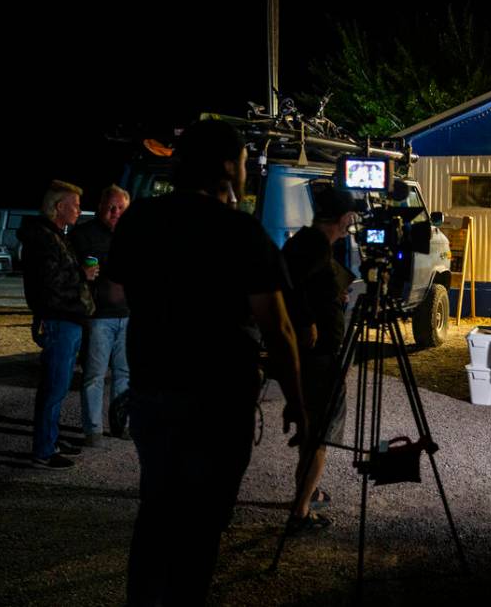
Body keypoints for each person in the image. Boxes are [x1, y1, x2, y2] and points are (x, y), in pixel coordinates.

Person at [109, 119, 305, 605]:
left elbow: (113, 290)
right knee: (202, 522)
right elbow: (278, 328)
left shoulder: (141, 219)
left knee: (156, 512)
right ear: (225, 168)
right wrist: (299, 400)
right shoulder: (241, 232)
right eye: (242, 162)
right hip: (218, 399)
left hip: (154, 390)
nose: (246, 170)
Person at [282, 186, 356, 535]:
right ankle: (301, 511)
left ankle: (307, 493)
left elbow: (303, 284)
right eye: (349, 219)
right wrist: (307, 319)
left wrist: (331, 295)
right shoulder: (313, 245)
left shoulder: (309, 243)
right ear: (343, 219)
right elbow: (289, 286)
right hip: (319, 356)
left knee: (311, 430)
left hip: (314, 354)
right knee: (319, 435)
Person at [18, 180, 97, 469]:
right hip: (60, 320)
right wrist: (82, 277)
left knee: (58, 387)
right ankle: (43, 450)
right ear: (59, 207)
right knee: (53, 388)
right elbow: (50, 286)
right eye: (74, 205)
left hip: (67, 320)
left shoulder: (53, 235)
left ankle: (50, 440)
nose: (78, 210)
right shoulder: (43, 239)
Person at [69, 184, 130, 448]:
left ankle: (121, 425)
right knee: (94, 375)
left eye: (120, 207)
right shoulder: (83, 235)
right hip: (98, 317)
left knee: (124, 374)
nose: (115, 212)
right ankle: (92, 430)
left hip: (128, 316)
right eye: (110, 207)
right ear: (101, 207)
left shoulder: (133, 235)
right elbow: (70, 271)